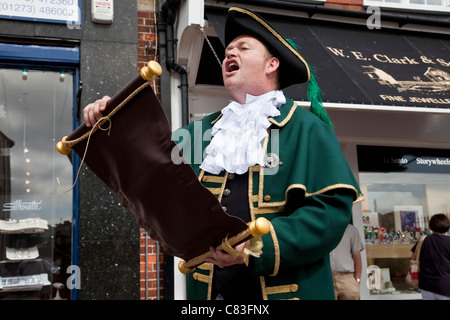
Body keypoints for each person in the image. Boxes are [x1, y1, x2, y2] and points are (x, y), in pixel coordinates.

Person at [83, 7, 362, 300]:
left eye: (243, 48)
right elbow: (153, 177)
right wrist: (114, 121)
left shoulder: (306, 129)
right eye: (227, 50)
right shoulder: (201, 133)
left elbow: (330, 214)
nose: (230, 54)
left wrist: (256, 248)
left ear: (271, 65)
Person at [411, 213, 450, 300]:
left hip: (426, 285)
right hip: (446, 286)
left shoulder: (423, 240)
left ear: (431, 226)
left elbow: (413, 258)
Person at [330, 224, 365, 300]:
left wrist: (357, 280)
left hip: (347, 277)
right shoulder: (323, 230)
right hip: (328, 277)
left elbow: (357, 258)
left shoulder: (351, 230)